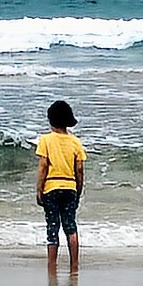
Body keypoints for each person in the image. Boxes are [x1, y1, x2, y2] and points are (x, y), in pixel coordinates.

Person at [35, 101, 86, 264]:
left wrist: (39, 189)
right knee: (70, 226)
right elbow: (79, 170)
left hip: (51, 188)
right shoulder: (76, 142)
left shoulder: (46, 140)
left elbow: (43, 167)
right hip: (70, 187)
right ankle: (74, 264)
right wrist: (78, 189)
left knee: (53, 227)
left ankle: (51, 265)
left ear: (51, 120)